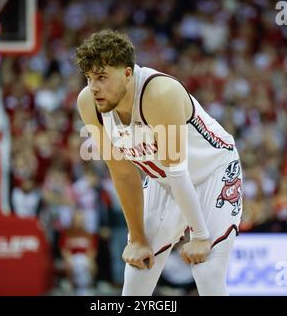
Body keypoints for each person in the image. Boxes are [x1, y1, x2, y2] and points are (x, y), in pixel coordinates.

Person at [75, 30, 242, 296]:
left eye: (102, 77)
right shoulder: (88, 103)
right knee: (138, 269)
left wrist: (199, 235)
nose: (94, 86)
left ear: (128, 73)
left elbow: (179, 172)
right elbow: (122, 172)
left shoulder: (160, 93)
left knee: (207, 271)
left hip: (213, 171)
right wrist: (138, 238)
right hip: (165, 179)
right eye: (89, 77)